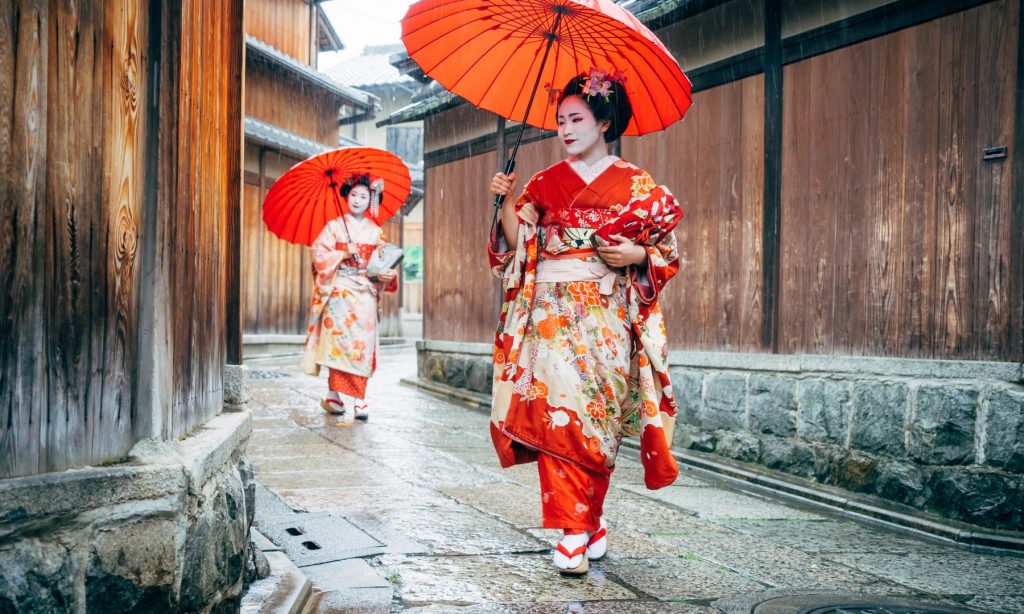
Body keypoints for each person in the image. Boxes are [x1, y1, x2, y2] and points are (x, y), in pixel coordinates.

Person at [487, 70, 683, 575]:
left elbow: (665, 253)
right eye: (560, 121)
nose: (566, 129)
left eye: (577, 119)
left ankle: (590, 519)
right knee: (559, 416)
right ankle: (572, 533)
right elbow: (517, 247)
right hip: (551, 314)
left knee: (599, 419)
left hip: (607, 315)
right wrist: (506, 200)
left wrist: (636, 251)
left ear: (604, 122)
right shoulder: (544, 183)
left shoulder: (638, 184)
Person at [301, 174, 398, 424]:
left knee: (361, 345)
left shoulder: (376, 233)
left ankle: (360, 398)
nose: (357, 199)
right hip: (340, 290)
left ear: (370, 201)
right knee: (337, 344)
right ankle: (333, 395)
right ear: (346, 196)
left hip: (365, 291)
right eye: (353, 194)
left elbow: (381, 266)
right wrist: (343, 253)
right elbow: (318, 255)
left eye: (363, 196)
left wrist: (387, 274)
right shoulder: (333, 227)